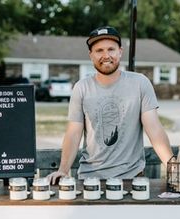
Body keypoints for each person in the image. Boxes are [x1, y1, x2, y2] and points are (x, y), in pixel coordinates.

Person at [48, 26, 173, 185]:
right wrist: (63, 170)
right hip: (90, 178)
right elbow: (73, 133)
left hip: (132, 177)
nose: (106, 55)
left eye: (111, 49)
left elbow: (154, 129)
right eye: (99, 50)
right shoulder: (82, 88)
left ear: (120, 52)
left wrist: (172, 166)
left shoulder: (140, 83)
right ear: (91, 55)